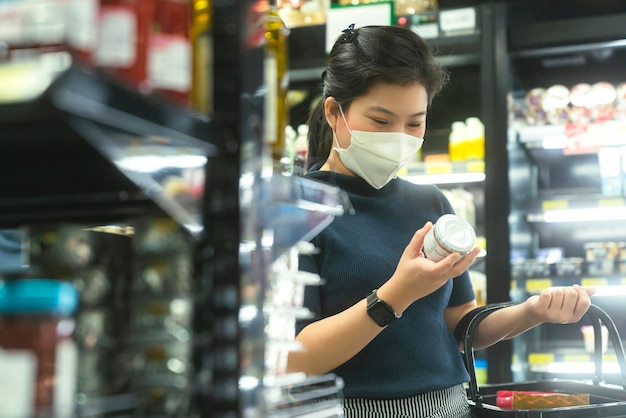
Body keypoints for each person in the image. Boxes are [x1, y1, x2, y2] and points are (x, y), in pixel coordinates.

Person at [286, 24, 595, 418]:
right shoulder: (300, 208)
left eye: (414, 123)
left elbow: (461, 323)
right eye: (381, 122)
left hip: (448, 407)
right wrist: (397, 294)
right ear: (334, 112)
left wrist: (531, 312)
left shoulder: (429, 201)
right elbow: (297, 357)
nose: (399, 137)